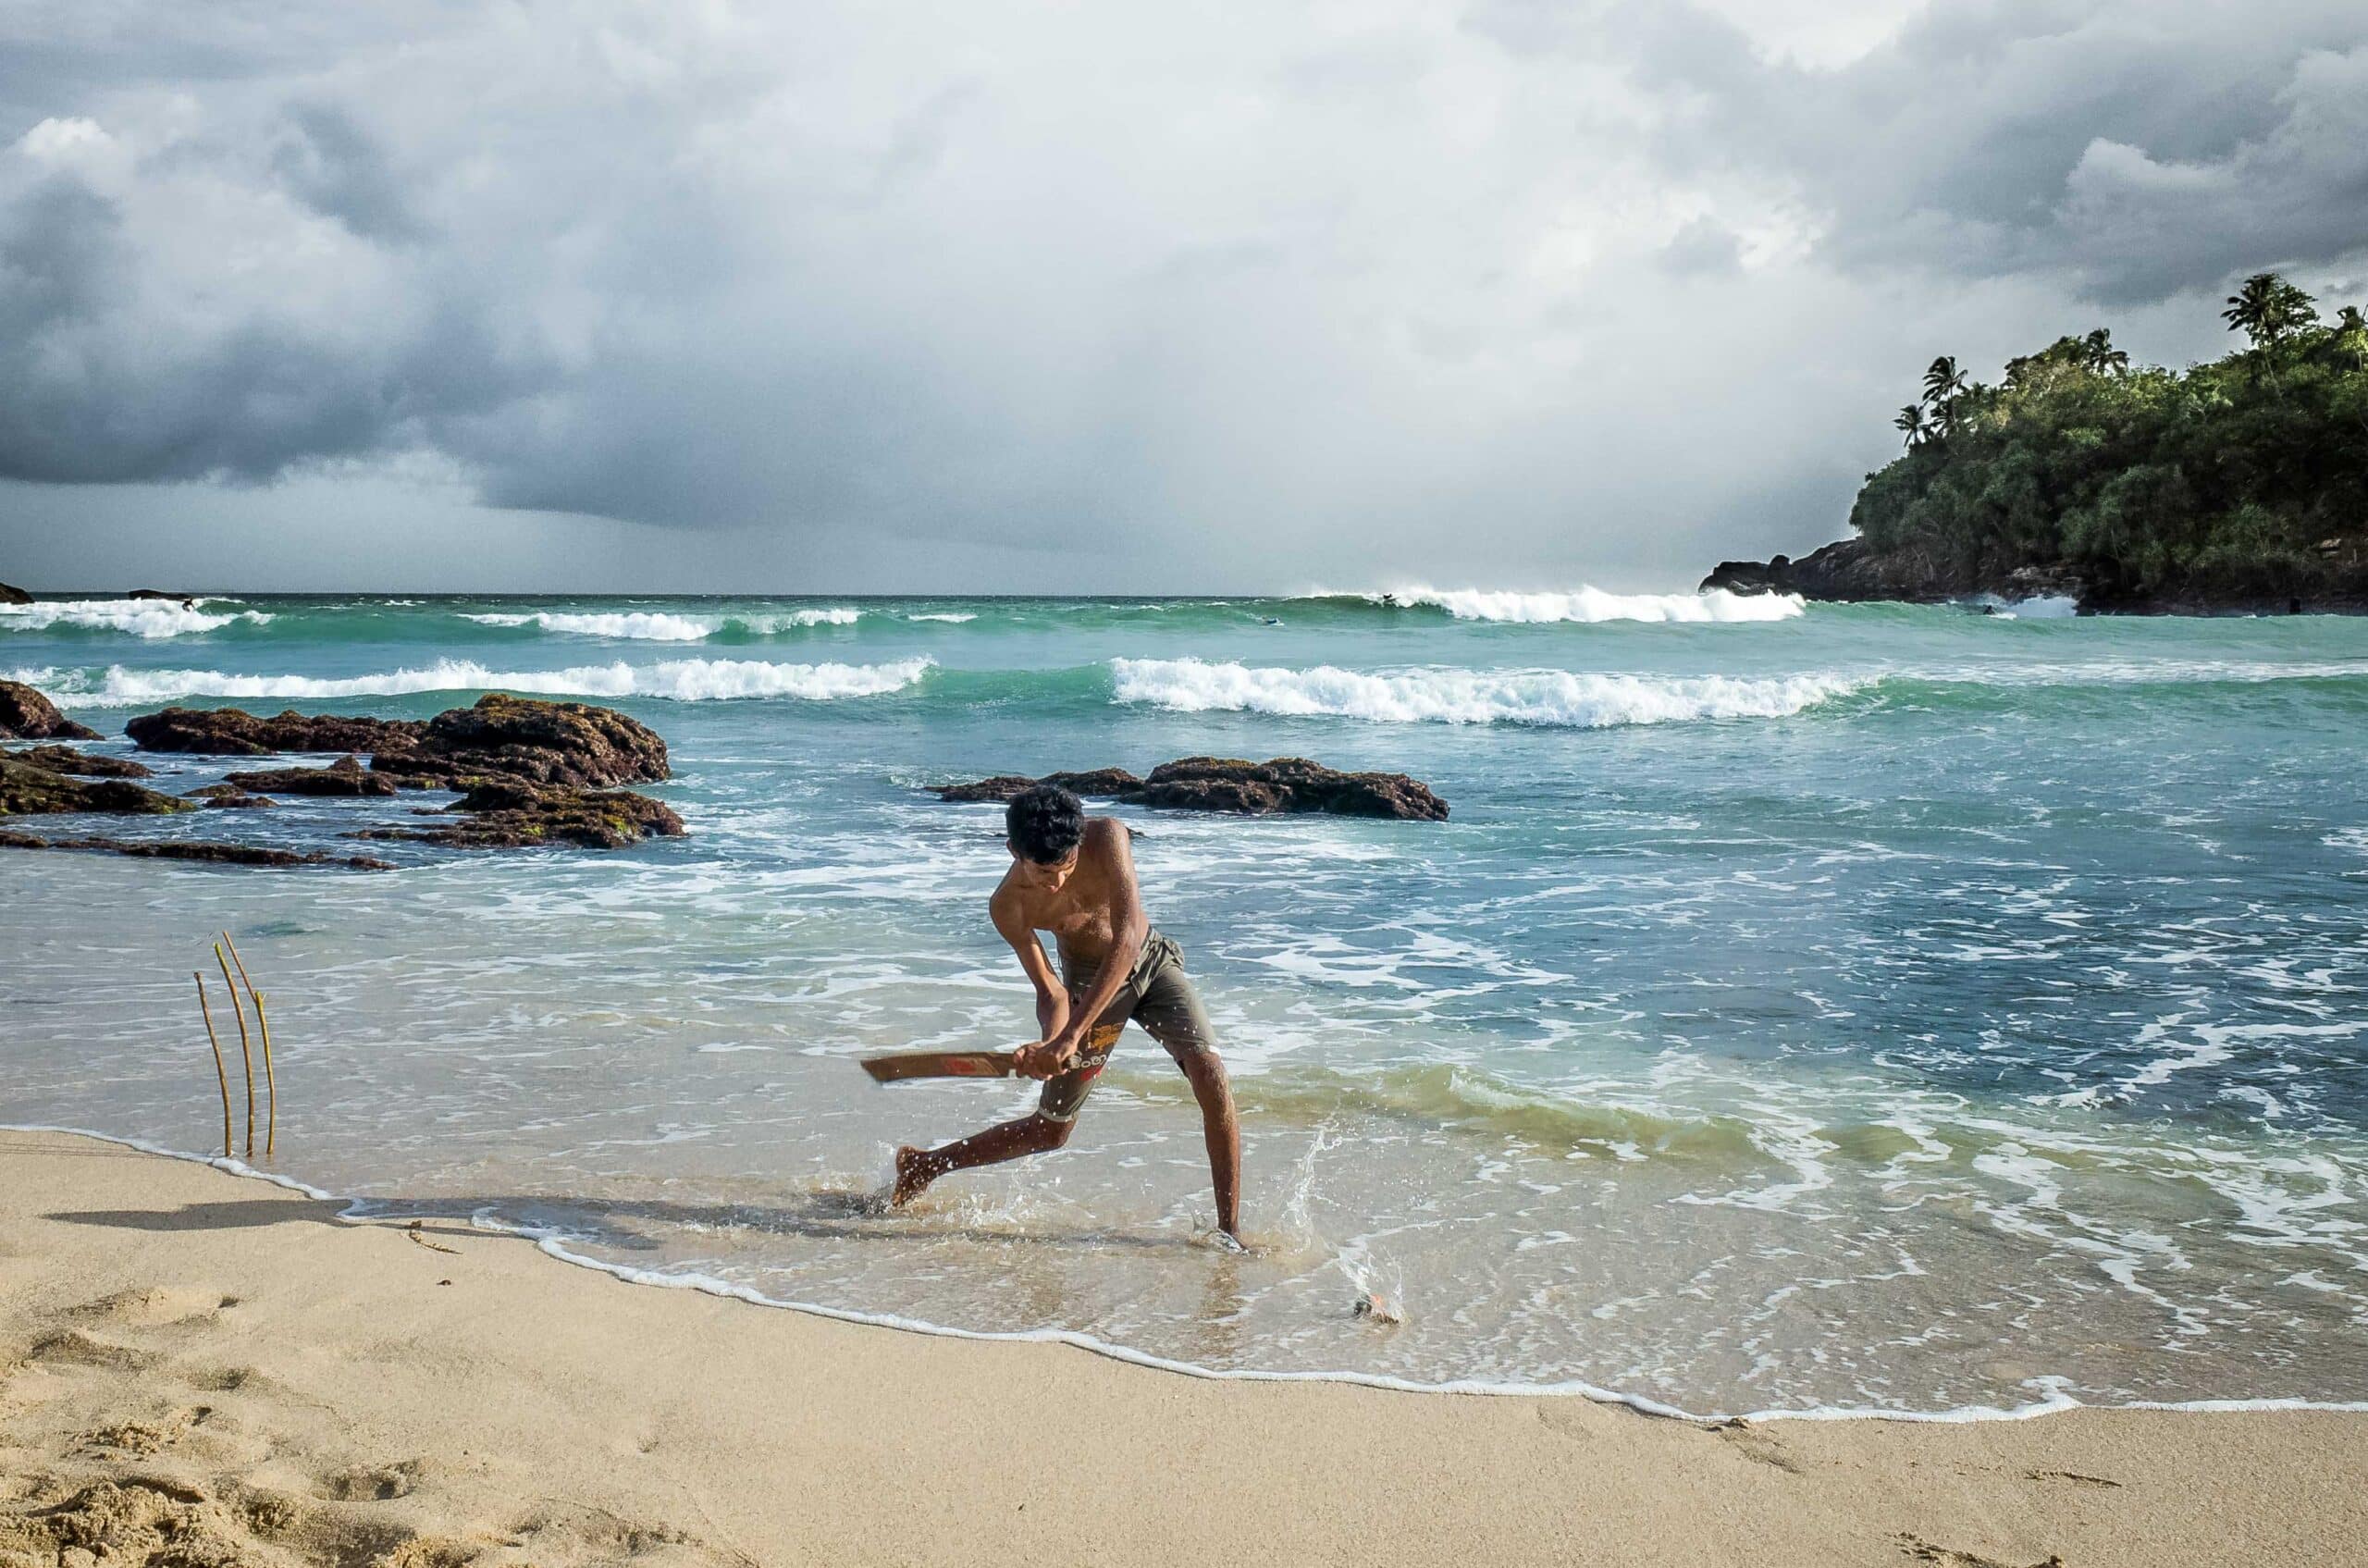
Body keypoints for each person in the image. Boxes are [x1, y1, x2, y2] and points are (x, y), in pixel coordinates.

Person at [891, 783, 1243, 1241]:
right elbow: (1051, 992)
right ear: (1013, 850)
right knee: (1050, 1131)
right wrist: (1050, 1041)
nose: (1057, 881)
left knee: (1210, 1073)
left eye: (1067, 865)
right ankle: (924, 1165)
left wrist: (1070, 1038)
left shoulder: (1110, 837)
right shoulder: (1008, 906)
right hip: (1084, 986)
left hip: (1149, 963)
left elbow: (1128, 940)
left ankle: (1230, 1233)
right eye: (1043, 872)